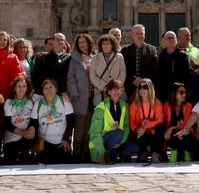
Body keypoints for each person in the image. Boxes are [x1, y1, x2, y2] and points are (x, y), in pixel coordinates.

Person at [67, 33, 95, 162]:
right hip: (79, 97)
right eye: (79, 43)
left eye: (84, 42)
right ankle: (76, 153)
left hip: (93, 97)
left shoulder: (95, 57)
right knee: (80, 126)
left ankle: (86, 151)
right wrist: (74, 93)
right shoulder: (74, 59)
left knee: (89, 126)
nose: (82, 44)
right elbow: (71, 77)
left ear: (89, 43)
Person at [32, 78, 74, 164]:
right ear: (43, 91)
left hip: (62, 143)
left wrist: (65, 139)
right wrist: (35, 141)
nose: (49, 90)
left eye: (51, 87)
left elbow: (71, 122)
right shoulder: (38, 104)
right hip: (45, 144)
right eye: (46, 88)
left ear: (56, 89)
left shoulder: (64, 101)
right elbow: (33, 123)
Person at [89, 79, 130, 164]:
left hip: (115, 141)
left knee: (133, 148)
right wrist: (101, 152)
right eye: (113, 89)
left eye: (118, 89)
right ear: (108, 92)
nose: (116, 91)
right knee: (118, 132)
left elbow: (126, 126)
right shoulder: (101, 107)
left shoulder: (123, 107)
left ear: (121, 91)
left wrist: (121, 141)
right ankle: (105, 155)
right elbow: (94, 132)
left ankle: (112, 155)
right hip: (98, 146)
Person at [2, 74, 37, 165]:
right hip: (11, 138)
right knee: (10, 162)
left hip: (26, 138)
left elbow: (33, 121)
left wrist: (30, 130)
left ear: (27, 88)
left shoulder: (30, 102)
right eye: (19, 86)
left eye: (24, 86)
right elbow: (7, 124)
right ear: (14, 88)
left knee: (24, 161)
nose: (21, 88)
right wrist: (23, 133)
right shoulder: (9, 102)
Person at [127, 78, 164, 163]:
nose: (142, 90)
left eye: (145, 87)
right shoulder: (134, 104)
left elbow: (160, 119)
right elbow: (131, 121)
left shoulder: (157, 102)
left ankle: (151, 152)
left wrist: (147, 126)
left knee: (159, 130)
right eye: (140, 87)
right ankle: (147, 152)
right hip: (139, 132)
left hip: (151, 131)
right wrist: (137, 129)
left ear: (150, 88)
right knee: (140, 135)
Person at [120, 24, 158, 99]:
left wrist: (143, 79)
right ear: (132, 35)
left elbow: (155, 67)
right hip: (130, 88)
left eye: (142, 33)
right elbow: (123, 68)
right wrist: (132, 80)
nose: (140, 36)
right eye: (137, 33)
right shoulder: (125, 51)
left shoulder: (152, 50)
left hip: (147, 88)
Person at [90, 34, 126, 105]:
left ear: (112, 45)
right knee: (100, 114)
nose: (105, 46)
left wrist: (115, 87)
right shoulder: (95, 58)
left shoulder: (119, 57)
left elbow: (122, 73)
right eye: (103, 44)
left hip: (116, 92)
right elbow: (92, 75)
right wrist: (105, 87)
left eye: (108, 43)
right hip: (100, 93)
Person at [163, 82, 194, 162]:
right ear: (174, 93)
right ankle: (176, 154)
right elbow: (164, 123)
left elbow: (185, 125)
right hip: (172, 135)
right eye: (181, 92)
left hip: (186, 133)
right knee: (174, 133)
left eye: (185, 92)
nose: (184, 95)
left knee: (178, 133)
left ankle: (182, 154)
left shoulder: (188, 106)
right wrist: (171, 129)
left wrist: (172, 127)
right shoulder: (166, 106)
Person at [156, 31, 191, 102]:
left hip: (178, 94)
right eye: (168, 38)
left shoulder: (183, 56)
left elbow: (187, 75)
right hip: (163, 95)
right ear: (164, 41)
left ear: (176, 40)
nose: (170, 40)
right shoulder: (159, 56)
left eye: (172, 38)